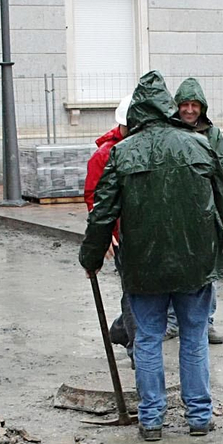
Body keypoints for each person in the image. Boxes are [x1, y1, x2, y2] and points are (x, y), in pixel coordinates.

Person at [79, 71, 223, 441]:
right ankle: (199, 416)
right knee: (194, 337)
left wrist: (91, 256)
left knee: (147, 339)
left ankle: (151, 420)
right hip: (194, 262)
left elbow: (102, 211)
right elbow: (220, 206)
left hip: (143, 264)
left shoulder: (120, 152)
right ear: (168, 108)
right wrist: (212, 246)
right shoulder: (198, 145)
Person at [172, 77, 223, 345]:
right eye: (184, 104)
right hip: (175, 212)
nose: (189, 110)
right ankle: (174, 322)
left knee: (207, 268)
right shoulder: (170, 131)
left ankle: (205, 322)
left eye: (194, 104)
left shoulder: (212, 134)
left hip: (205, 212)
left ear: (202, 107)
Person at [86, 94, 133, 352]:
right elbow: (95, 198)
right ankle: (134, 345)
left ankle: (121, 329)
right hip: (123, 236)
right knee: (134, 292)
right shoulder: (105, 155)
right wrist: (106, 235)